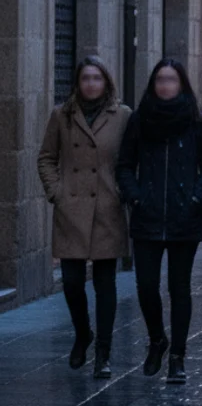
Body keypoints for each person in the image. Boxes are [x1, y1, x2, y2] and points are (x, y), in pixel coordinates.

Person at [117, 59, 202, 385]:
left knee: (179, 288)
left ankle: (177, 357)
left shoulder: (198, 122)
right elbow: (124, 165)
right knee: (146, 286)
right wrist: (135, 196)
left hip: (183, 217)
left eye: (171, 80)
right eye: (160, 79)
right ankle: (157, 339)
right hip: (147, 216)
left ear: (181, 84)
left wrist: (195, 199)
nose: (165, 85)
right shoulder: (140, 120)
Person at [37, 56, 132, 379]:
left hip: (107, 207)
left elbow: (130, 159)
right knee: (73, 282)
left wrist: (122, 190)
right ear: (77, 83)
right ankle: (83, 333)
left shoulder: (122, 116)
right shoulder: (61, 116)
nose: (91, 84)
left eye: (97, 78)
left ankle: (103, 352)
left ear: (106, 82)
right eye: (85, 78)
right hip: (71, 209)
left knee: (106, 284)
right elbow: (47, 157)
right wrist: (56, 193)